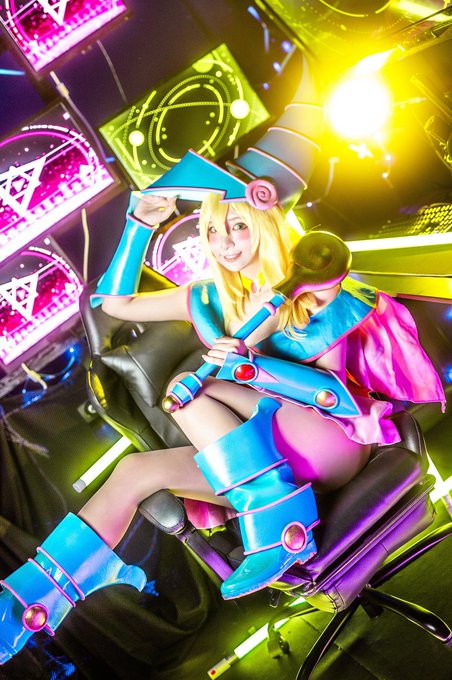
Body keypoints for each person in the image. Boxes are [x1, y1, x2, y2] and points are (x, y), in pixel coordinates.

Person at [0, 163, 445, 665]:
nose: (224, 241)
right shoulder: (208, 297)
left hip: (332, 443)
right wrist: (139, 223)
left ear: (266, 221)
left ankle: (280, 527)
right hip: (268, 464)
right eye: (211, 229)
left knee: (194, 388)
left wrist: (253, 367)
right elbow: (113, 304)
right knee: (133, 471)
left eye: (237, 225)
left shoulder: (314, 290)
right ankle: (25, 608)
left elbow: (334, 398)